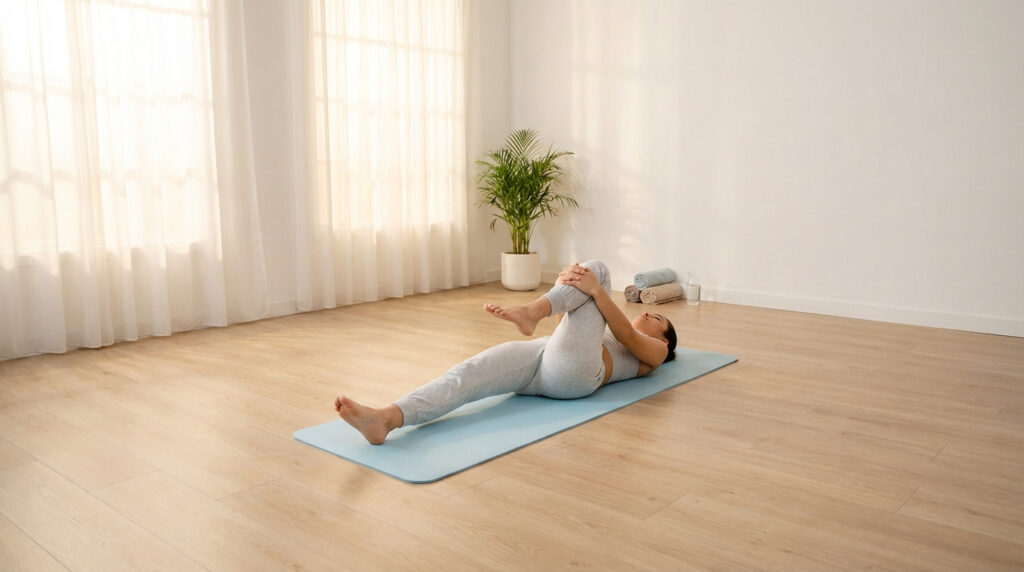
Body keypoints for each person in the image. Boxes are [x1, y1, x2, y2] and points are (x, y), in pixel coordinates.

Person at [334, 260, 678, 444]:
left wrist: (592, 288)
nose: (647, 313)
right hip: (542, 358)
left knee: (598, 271)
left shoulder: (655, 354)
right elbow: (568, 328)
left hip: (577, 377)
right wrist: (569, 286)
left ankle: (532, 311)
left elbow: (626, 337)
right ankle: (386, 419)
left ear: (664, 340)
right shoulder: (598, 327)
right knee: (467, 374)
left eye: (658, 318)